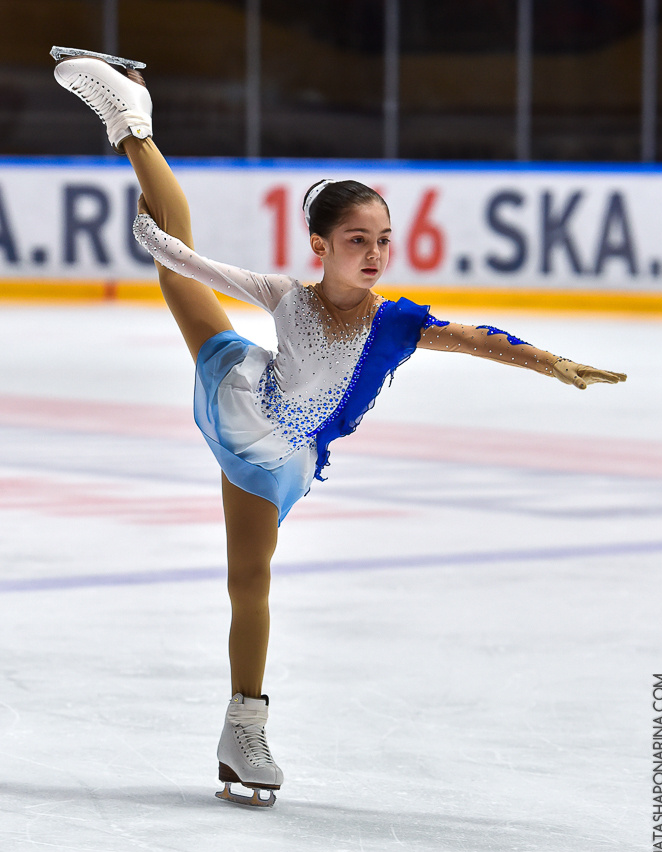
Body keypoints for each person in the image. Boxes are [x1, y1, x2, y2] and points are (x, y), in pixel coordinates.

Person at [52, 51, 627, 807]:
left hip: (280, 454)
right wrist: (155, 244)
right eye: (358, 240)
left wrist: (552, 362)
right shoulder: (287, 297)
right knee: (244, 574)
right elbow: (183, 258)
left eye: (384, 239)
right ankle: (133, 122)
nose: (376, 254)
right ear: (321, 247)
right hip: (240, 392)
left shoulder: (392, 325)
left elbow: (477, 339)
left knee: (249, 578)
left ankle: (239, 731)